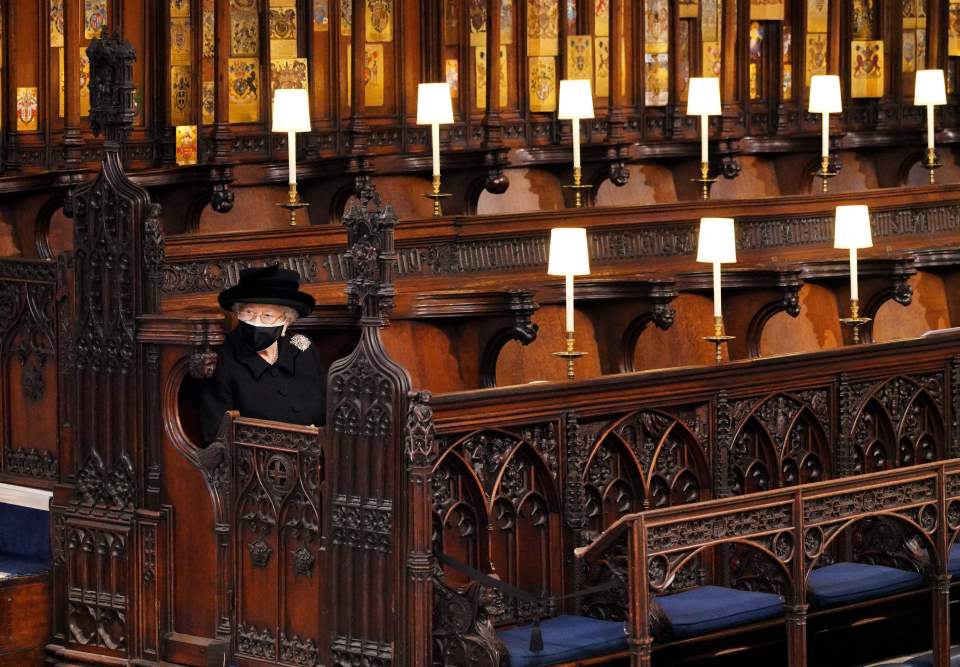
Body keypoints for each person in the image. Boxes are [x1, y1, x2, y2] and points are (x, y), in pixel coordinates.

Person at [199, 265, 326, 443]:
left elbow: (326, 414)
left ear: (286, 322)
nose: (256, 323)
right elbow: (217, 439)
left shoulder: (304, 348)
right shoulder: (221, 358)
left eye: (267, 316)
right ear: (238, 313)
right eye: (249, 313)